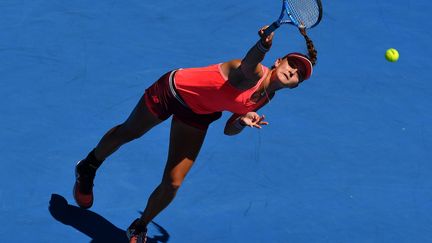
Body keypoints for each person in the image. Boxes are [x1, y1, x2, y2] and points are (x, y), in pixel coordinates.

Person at [73, 25, 317, 243]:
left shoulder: (266, 98)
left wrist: (242, 121)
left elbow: (228, 130)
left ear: (295, 85)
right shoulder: (253, 73)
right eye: (291, 64)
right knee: (130, 132)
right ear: (277, 62)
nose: (292, 71)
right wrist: (262, 46)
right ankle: (89, 166)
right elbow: (247, 65)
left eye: (298, 74)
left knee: (173, 183)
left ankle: (139, 226)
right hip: (172, 91)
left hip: (198, 114)